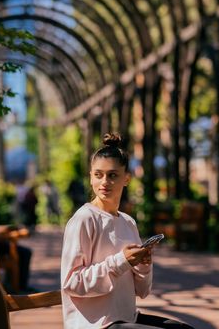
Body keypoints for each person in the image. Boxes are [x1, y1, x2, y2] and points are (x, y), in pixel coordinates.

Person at [60, 133, 194, 329]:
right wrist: (121, 261)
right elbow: (72, 283)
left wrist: (143, 265)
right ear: (90, 177)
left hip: (126, 317)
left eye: (113, 175)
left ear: (127, 179)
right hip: (97, 325)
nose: (104, 181)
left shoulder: (128, 222)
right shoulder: (84, 219)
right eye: (98, 174)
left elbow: (142, 291)